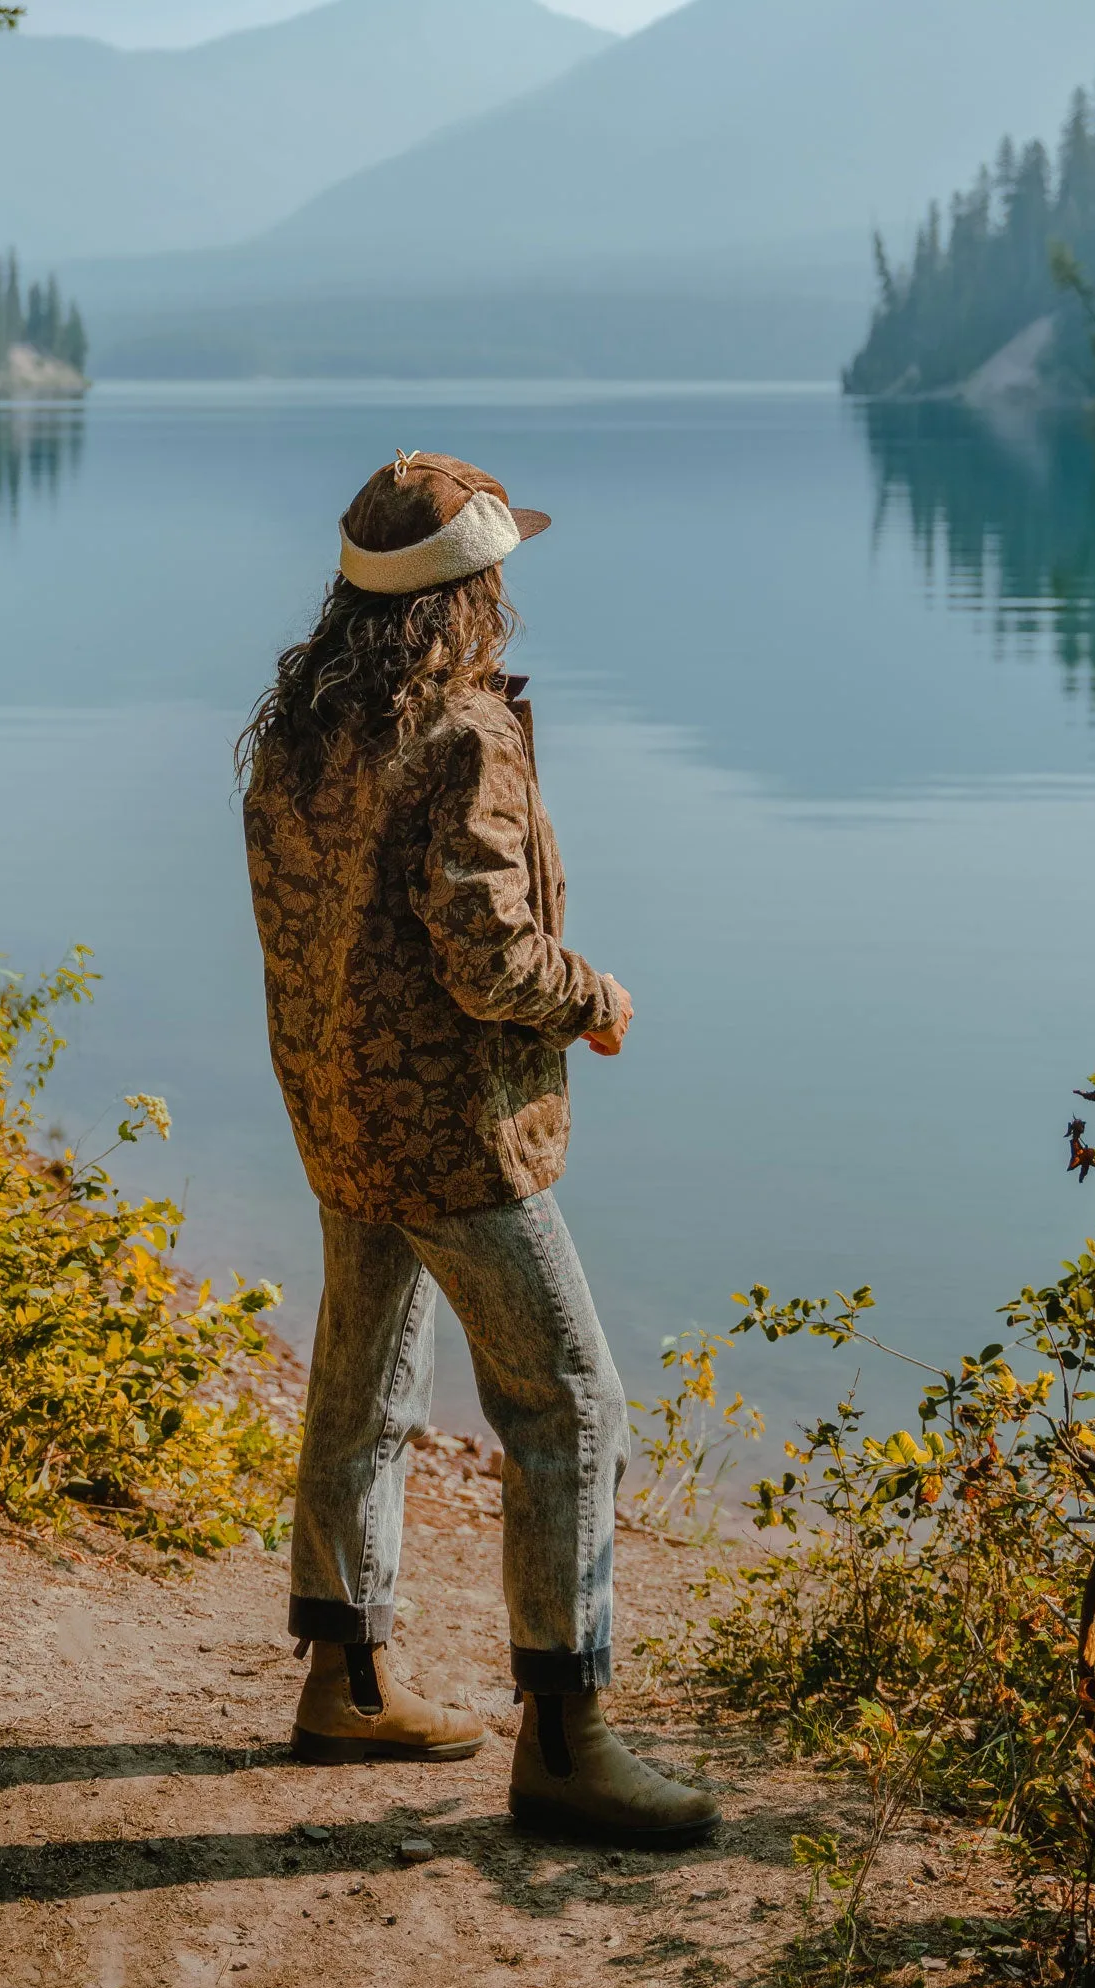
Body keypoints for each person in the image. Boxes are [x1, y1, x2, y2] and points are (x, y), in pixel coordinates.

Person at [238, 450, 717, 1847]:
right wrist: (599, 998)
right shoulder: (461, 733)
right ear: (469, 594)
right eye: (497, 577)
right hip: (449, 1129)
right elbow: (488, 955)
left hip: (336, 1105)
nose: (506, 598)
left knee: (366, 1380)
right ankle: (566, 1739)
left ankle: (349, 1678)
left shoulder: (303, 725)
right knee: (572, 1403)